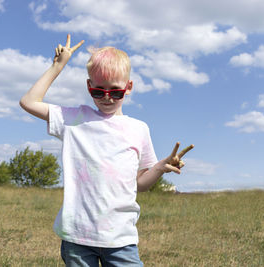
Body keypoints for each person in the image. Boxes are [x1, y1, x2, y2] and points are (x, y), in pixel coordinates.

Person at [20, 34, 194, 267]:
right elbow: (28, 102)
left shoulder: (139, 129)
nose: (107, 98)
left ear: (128, 87)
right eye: (99, 91)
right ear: (89, 87)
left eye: (116, 91)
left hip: (120, 238)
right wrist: (57, 66)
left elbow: (140, 184)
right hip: (77, 238)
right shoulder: (74, 119)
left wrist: (160, 168)